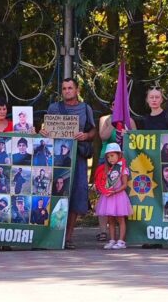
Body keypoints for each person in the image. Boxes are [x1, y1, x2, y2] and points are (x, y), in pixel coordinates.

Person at [40, 78, 97, 250]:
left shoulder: (85, 108)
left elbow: (93, 130)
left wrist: (86, 136)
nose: (67, 91)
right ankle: (52, 235)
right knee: (55, 193)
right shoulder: (54, 108)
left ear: (77, 90)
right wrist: (43, 132)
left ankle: (68, 237)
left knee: (77, 195)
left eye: (70, 88)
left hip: (77, 158)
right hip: (57, 159)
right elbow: (46, 129)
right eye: (64, 88)